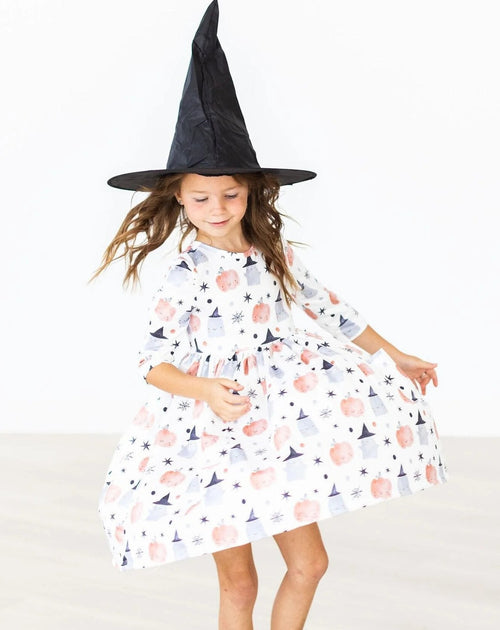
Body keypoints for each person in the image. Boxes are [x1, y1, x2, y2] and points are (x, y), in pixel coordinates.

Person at [95, 3, 447, 629]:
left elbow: (331, 310)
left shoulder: (272, 253)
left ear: (252, 190)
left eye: (231, 193)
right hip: (212, 435)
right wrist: (206, 388)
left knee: (310, 564)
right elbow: (152, 364)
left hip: (282, 427)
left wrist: (395, 356)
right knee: (240, 582)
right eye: (201, 197)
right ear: (178, 199)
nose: (217, 208)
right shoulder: (185, 275)